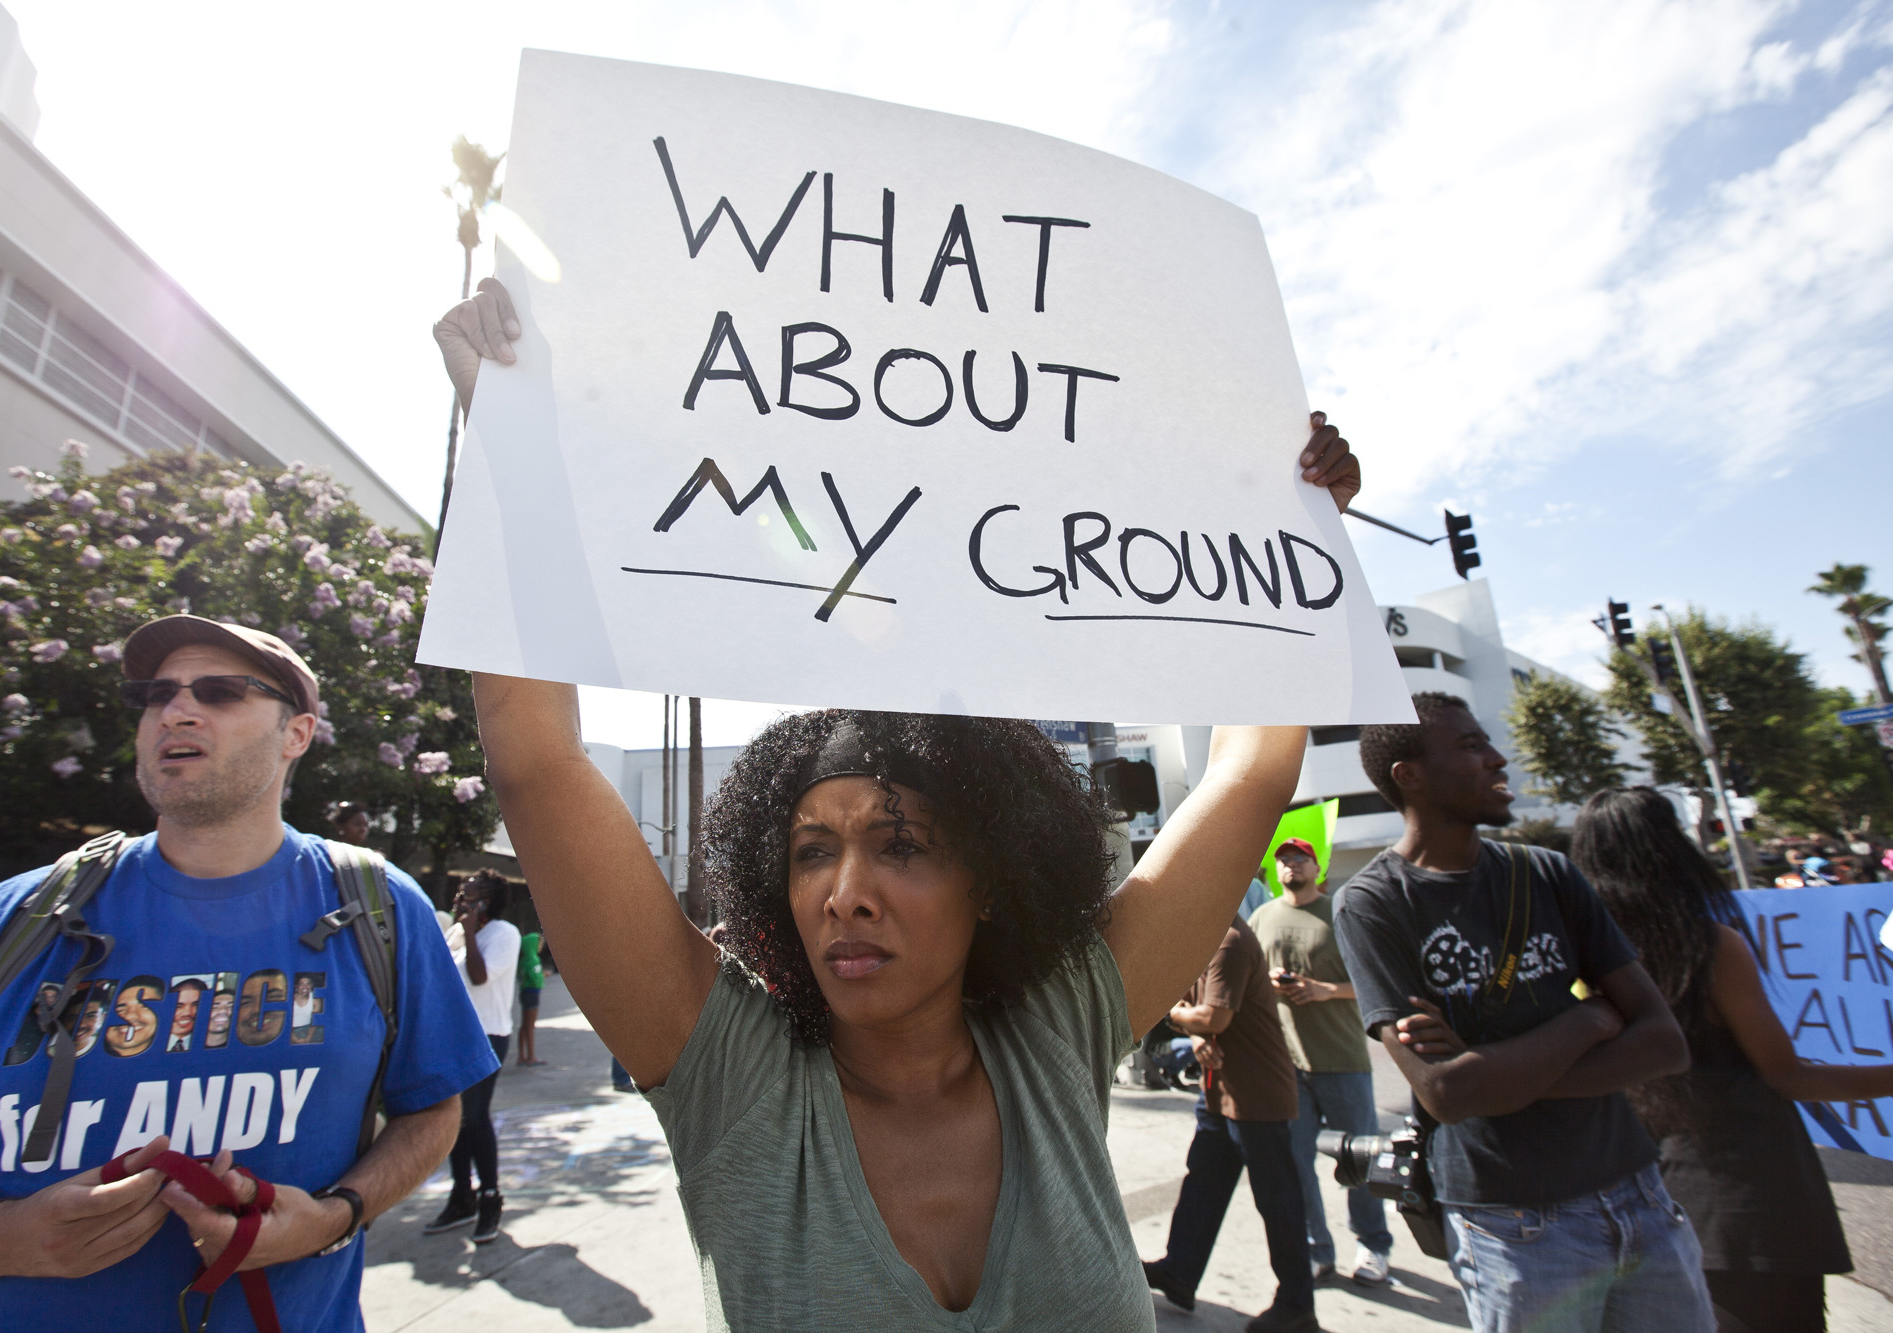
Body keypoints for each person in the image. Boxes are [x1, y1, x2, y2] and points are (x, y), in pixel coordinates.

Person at [434, 276, 1362, 1330]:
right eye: (808, 852)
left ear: (989, 875)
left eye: (901, 843)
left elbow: (1248, 775)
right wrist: (504, 437)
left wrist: (1290, 529)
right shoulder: (730, 1076)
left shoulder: (1059, 1031)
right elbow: (537, 761)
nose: (845, 891)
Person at [0, 614, 495, 1329]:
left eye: (219, 691)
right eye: (157, 694)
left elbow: (432, 1108)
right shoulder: (6, 923)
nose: (176, 710)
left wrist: (333, 1217)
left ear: (297, 735)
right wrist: (2, 1239)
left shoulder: (378, 907)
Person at [1334, 692, 1709, 1333]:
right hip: (1514, 1228)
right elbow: (1446, 1093)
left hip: (1641, 1195)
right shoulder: (1372, 904)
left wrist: (1496, 1077)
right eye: (1471, 746)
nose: (1496, 758)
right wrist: (1586, 1021)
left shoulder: (1547, 874)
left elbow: (1663, 1043)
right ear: (1410, 775)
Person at [1573, 787, 1893, 1333]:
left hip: (1642, 1196)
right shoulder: (1707, 946)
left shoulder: (1580, 958)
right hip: (1750, 1200)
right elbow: (1789, 1077)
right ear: (1668, 849)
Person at [1143, 918, 1314, 1332]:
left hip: (1257, 1097)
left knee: (1278, 1202)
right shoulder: (1202, 936)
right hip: (1220, 1093)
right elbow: (1195, 1009)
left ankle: (1297, 1303)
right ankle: (1179, 1273)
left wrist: (1186, 1019)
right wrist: (1194, 1029)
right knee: (1203, 1182)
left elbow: (1214, 1018)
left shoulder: (1229, 941)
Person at [1251, 837, 1391, 1285]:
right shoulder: (1263, 916)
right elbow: (1248, 977)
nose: (1291, 866)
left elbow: (1375, 980)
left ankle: (1372, 1244)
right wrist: (1269, 982)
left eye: (1300, 859)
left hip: (1343, 1059)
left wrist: (1325, 990)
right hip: (1288, 1064)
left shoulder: (1341, 914)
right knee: (1296, 1162)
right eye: (1284, 860)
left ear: (1317, 867)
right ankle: (1317, 1249)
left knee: (1360, 1160)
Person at [426, 870, 522, 1244]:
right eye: (462, 894)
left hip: (488, 1035)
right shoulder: (454, 934)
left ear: (490, 901)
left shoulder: (504, 934)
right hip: (452, 1035)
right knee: (455, 1119)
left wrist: (468, 931)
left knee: (475, 1116)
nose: (463, 901)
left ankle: (490, 1197)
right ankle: (461, 1194)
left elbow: (479, 977)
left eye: (473, 896)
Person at [516, 926, 546, 1066]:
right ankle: (531, 1056)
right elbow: (536, 978)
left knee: (524, 1025)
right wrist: (542, 975)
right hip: (533, 993)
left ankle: (521, 1054)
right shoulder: (534, 960)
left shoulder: (523, 960)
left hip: (524, 992)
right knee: (530, 1025)